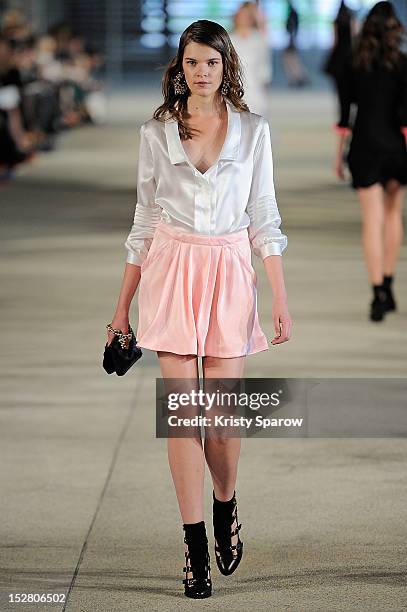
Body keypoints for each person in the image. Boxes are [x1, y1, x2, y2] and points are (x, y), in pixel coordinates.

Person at [107, 19, 292, 599]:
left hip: (231, 271)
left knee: (223, 417)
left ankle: (224, 502)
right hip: (172, 269)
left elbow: (264, 216)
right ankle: (193, 550)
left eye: (211, 62)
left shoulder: (253, 132)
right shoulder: (157, 132)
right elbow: (143, 221)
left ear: (226, 66)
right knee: (183, 416)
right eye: (192, 63)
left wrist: (280, 297)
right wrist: (121, 311)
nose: (202, 72)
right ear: (179, 68)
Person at [334, 1, 407, 322]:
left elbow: (344, 114)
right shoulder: (403, 63)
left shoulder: (353, 62)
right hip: (396, 146)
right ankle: (389, 284)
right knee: (393, 215)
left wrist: (339, 155)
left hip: (364, 145)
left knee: (372, 220)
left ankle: (376, 290)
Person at [229, 2, 272, 117]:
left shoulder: (258, 39)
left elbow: (265, 67)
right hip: (234, 90)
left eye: (247, 16)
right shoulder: (229, 39)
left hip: (255, 90)